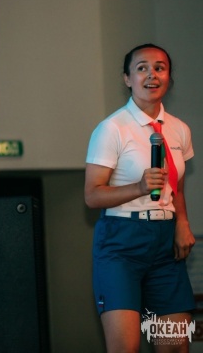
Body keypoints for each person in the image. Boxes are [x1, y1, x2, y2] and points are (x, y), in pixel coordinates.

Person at [85, 43, 195, 352]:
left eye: (160, 68)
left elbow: (177, 187)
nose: (151, 75)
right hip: (121, 241)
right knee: (126, 346)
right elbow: (92, 195)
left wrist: (182, 222)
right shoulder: (112, 128)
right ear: (127, 78)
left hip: (165, 242)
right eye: (142, 68)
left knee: (174, 345)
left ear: (169, 77)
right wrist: (138, 187)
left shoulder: (179, 129)